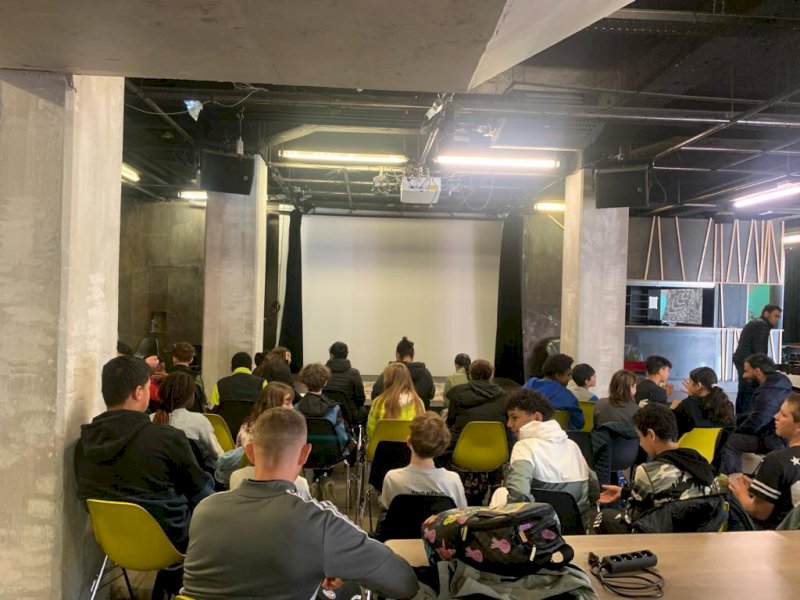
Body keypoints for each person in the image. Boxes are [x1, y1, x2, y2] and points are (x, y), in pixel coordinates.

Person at [182, 408, 419, 600]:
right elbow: (404, 583)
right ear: (304, 454)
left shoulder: (205, 510)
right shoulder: (320, 522)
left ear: (250, 452)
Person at [75, 356, 214, 550]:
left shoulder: (85, 442)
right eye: (148, 387)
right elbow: (202, 493)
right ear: (138, 392)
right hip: (168, 542)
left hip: (112, 541)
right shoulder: (167, 438)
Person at [595, 403, 724, 534]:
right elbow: (679, 496)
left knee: (603, 517)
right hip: (700, 536)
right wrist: (625, 492)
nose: (640, 443)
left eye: (640, 438)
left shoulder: (647, 471)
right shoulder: (701, 464)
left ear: (651, 434)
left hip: (661, 538)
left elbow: (633, 517)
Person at [494, 389, 597, 528]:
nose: (509, 424)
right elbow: (594, 490)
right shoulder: (572, 445)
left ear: (537, 417)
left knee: (500, 494)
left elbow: (519, 494)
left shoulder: (524, 447)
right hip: (577, 528)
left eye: (514, 417)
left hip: (540, 531)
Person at [729, 394, 800, 529]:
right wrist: (759, 488)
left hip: (779, 535)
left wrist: (740, 493)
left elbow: (759, 512)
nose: (776, 416)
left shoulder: (776, 461)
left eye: (783, 415)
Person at [721, 353, 793, 474]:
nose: (743, 375)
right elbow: (759, 415)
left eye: (746, 371)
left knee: (729, 441)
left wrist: (735, 429)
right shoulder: (782, 384)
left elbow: (758, 421)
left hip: (774, 441)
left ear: (757, 371)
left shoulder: (768, 393)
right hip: (781, 438)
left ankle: (732, 479)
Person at [380, 412, 467, 509]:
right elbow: (461, 513)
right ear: (441, 447)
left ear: (408, 441)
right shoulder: (453, 480)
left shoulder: (392, 478)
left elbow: (388, 510)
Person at [151, 371, 223, 466]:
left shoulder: (149, 419)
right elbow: (218, 454)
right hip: (191, 474)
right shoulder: (199, 421)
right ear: (189, 395)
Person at [445, 359, 508, 450]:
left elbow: (450, 421)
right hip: (496, 449)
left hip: (461, 449)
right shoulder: (504, 396)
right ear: (490, 375)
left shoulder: (458, 393)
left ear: (470, 375)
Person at [733, 304, 782, 415]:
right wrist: (767, 367)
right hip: (749, 363)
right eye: (775, 316)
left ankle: (741, 418)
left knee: (744, 392)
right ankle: (746, 418)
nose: (777, 319)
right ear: (766, 313)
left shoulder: (757, 323)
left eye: (778, 317)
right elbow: (759, 350)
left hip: (744, 361)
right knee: (749, 393)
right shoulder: (761, 325)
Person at [296, 363, 352, 452]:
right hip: (331, 453)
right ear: (325, 382)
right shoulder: (334, 409)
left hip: (303, 452)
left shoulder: (296, 408)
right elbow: (343, 437)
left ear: (304, 383)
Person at [371, 337, 435, 409]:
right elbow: (431, 394)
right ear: (412, 356)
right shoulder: (425, 373)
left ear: (397, 355)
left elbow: (375, 395)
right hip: (419, 415)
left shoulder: (388, 373)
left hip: (391, 414)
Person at [522, 353, 583, 430]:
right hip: (554, 435)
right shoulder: (567, 396)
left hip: (523, 434)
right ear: (557, 376)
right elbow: (579, 423)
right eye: (568, 375)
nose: (570, 378)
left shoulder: (529, 385)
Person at [673, 366, 735, 438]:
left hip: (690, 444)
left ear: (698, 386)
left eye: (689, 382)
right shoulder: (727, 405)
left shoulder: (686, 405)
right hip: (718, 445)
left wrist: (673, 408)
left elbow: (671, 430)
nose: (688, 385)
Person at [367, 363, 426, 438]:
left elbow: (371, 433)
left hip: (382, 445)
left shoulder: (378, 402)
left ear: (387, 380)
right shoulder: (418, 403)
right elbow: (421, 432)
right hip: (409, 445)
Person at [324, 341, 367, 425]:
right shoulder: (354, 373)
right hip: (348, 417)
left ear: (331, 355)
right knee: (364, 410)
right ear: (347, 354)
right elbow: (360, 400)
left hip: (325, 414)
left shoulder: (321, 372)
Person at [170, 341, 206, 411]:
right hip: (193, 412)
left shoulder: (167, 374)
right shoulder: (196, 376)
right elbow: (202, 399)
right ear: (191, 360)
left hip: (170, 413)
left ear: (174, 358)